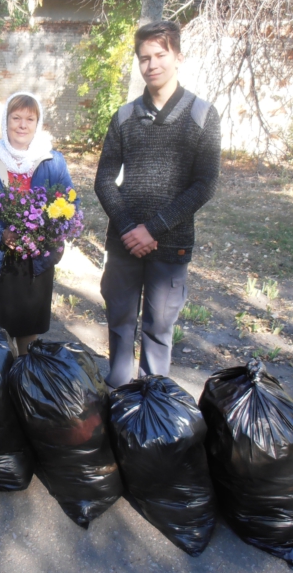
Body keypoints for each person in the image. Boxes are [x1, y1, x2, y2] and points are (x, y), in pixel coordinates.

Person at [94, 21, 221, 387]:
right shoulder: (123, 116)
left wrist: (152, 229)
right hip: (123, 244)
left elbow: (204, 184)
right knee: (119, 325)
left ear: (178, 57)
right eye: (144, 58)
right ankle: (117, 398)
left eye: (160, 55)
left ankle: (153, 412)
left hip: (170, 245)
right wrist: (128, 228)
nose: (152, 65)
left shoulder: (202, 115)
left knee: (158, 332)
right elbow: (104, 179)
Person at [0, 92, 75, 355]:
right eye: (16, 118)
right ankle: (0, 386)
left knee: (28, 336)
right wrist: (0, 232)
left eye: (30, 119)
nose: (22, 125)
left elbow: (71, 205)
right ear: (6, 121)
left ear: (38, 123)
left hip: (35, 264)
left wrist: (46, 233)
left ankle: (25, 382)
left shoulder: (52, 161)